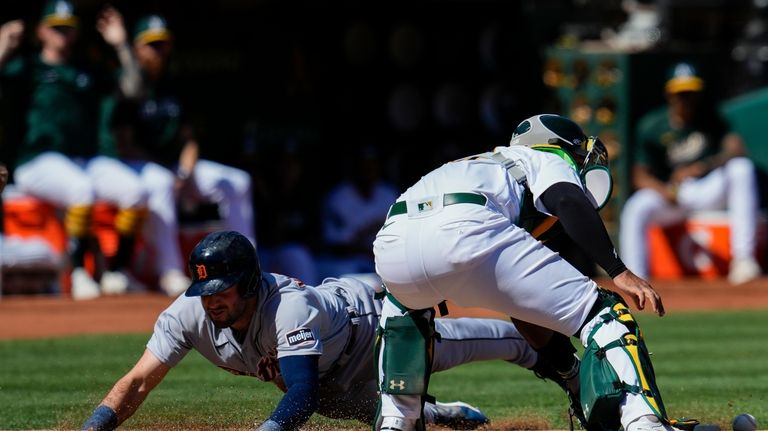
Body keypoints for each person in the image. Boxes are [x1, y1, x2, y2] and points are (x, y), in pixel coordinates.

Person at [372, 114, 692, 431]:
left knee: (403, 311)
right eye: (579, 155)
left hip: (392, 241)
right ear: (559, 146)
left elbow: (524, 308)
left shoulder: (475, 164)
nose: (580, 164)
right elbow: (566, 199)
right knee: (603, 312)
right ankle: (644, 423)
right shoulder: (544, 155)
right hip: (467, 227)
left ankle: (397, 419)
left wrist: (570, 374)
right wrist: (617, 270)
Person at [80, 230, 576, 431]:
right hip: (328, 385)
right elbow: (138, 382)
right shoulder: (189, 313)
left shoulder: (288, 308)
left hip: (375, 334)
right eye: (206, 292)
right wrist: (95, 428)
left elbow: (299, 389)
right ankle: (445, 413)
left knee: (478, 342)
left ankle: (557, 357)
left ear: (251, 283)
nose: (213, 301)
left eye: (225, 291)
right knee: (394, 419)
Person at [99, 13, 256, 295]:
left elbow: (189, 140)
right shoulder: (127, 82)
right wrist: (171, 173)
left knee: (237, 182)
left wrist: (184, 172)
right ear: (137, 48)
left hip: (175, 167)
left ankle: (246, 263)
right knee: (160, 182)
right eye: (151, 44)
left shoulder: (173, 84)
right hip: (136, 166)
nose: (158, 51)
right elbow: (124, 143)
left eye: (162, 44)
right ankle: (170, 271)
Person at [0, 1, 148, 299]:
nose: (62, 34)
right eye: (56, 27)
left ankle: (116, 271)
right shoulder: (27, 67)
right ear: (41, 31)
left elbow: (134, 91)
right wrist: (2, 47)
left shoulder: (86, 70)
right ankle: (80, 271)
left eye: (68, 28)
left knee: (137, 191)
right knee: (81, 189)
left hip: (84, 159)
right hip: (36, 160)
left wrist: (121, 46)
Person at [619, 61, 762, 285]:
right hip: (673, 194)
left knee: (741, 168)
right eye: (681, 93)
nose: (686, 99)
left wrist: (703, 166)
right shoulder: (653, 125)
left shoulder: (712, 117)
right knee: (636, 206)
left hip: (708, 189)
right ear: (669, 94)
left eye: (691, 93)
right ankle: (635, 277)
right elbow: (639, 175)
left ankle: (744, 260)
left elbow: (737, 149)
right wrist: (664, 190)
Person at [318, 143, 399, 279]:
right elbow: (337, 247)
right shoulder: (338, 197)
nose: (368, 169)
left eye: (372, 163)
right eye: (364, 164)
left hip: (381, 259)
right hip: (347, 262)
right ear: (354, 167)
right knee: (350, 273)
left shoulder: (388, 193)